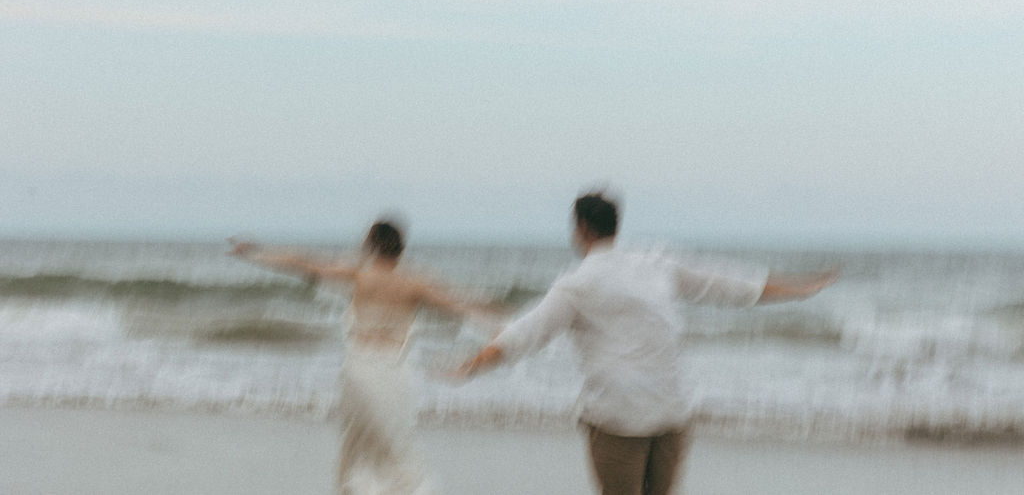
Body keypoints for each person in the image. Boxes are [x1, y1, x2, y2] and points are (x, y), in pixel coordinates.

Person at [457, 192, 839, 495]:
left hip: (618, 417)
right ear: (615, 226)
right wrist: (798, 287)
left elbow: (526, 333)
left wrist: (473, 363)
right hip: (669, 412)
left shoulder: (577, 283)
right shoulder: (656, 263)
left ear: (582, 228)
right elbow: (729, 284)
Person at [230, 219, 492, 495]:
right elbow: (459, 305)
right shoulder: (415, 282)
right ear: (401, 247)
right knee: (396, 442)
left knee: (359, 443)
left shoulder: (359, 274)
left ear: (370, 244)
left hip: (358, 370)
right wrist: (505, 326)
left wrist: (255, 253)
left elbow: (302, 263)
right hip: (392, 372)